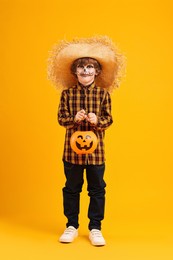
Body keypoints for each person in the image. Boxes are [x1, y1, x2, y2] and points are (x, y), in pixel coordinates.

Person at [47, 36, 125, 246]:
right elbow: (61, 119)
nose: (86, 71)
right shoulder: (66, 94)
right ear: (75, 72)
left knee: (97, 189)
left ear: (97, 71)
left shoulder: (103, 95)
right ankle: (71, 225)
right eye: (81, 68)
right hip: (71, 152)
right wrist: (74, 119)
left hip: (96, 152)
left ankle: (95, 228)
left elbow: (109, 120)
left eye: (90, 67)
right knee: (72, 188)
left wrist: (97, 121)